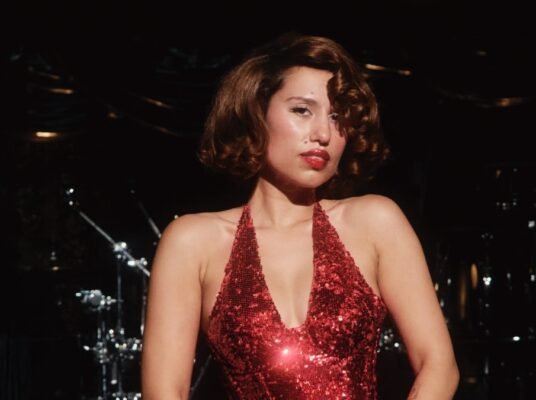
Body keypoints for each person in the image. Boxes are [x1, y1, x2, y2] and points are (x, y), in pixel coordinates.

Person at [141, 32, 459, 399]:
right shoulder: (192, 242)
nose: (323, 133)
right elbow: (165, 392)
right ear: (256, 113)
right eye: (302, 110)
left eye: (338, 117)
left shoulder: (375, 222)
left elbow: (439, 365)